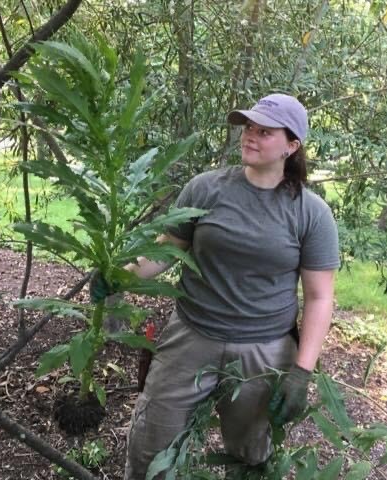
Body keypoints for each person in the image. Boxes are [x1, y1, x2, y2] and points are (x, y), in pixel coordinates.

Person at [107, 93, 339, 479]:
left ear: (291, 145)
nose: (250, 136)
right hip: (191, 335)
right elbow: (167, 252)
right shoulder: (206, 189)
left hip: (264, 351)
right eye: (248, 128)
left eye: (264, 132)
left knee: (249, 455)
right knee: (151, 445)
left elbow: (319, 297)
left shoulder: (311, 213)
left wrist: (301, 372)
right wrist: (120, 276)